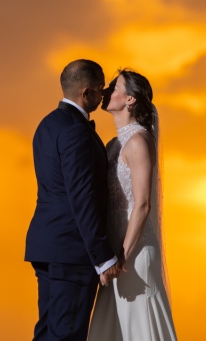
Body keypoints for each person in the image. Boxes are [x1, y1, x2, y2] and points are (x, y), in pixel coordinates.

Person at [25, 59, 124, 340]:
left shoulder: (47, 124)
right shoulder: (75, 130)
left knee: (48, 332)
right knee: (67, 335)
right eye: (100, 88)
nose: (104, 94)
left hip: (47, 245)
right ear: (86, 92)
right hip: (71, 250)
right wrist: (102, 256)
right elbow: (82, 196)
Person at [88, 69, 177, 340]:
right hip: (114, 253)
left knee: (139, 329)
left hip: (133, 253)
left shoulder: (138, 141)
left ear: (130, 99)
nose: (106, 91)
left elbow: (143, 204)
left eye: (115, 87)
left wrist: (122, 257)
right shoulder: (114, 144)